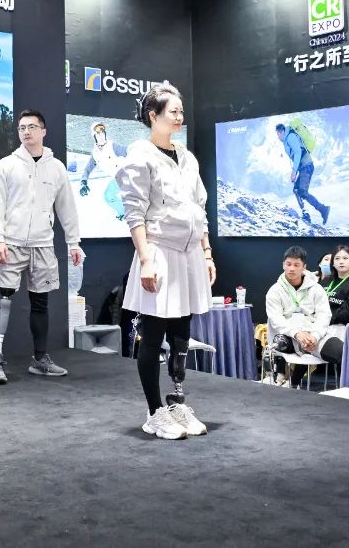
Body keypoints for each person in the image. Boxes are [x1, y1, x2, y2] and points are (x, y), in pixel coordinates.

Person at [116, 82, 214, 440]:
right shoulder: (139, 156)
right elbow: (134, 213)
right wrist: (145, 259)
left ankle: (177, 403)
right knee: (153, 334)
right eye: (173, 111)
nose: (179, 116)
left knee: (181, 334)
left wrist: (206, 251)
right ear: (153, 115)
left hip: (189, 255)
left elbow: (199, 208)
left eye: (181, 111)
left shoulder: (187, 158)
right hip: (159, 252)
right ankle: (154, 411)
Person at [0, 110, 82, 384]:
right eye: (21, 128)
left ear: (43, 131)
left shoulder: (56, 168)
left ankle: (40, 360)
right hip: (12, 243)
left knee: (41, 302)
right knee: (5, 298)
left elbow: (67, 208)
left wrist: (74, 242)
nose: (26, 132)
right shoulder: (7, 165)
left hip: (43, 245)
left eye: (31, 127)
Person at [264, 246, 337, 385]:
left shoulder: (316, 289)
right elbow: (276, 319)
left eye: (296, 265)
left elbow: (324, 315)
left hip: (313, 337)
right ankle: (282, 377)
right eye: (288, 264)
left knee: (340, 350)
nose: (291, 268)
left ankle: (293, 382)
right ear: (283, 265)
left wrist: (315, 336)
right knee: (281, 342)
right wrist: (297, 333)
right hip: (288, 337)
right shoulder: (275, 291)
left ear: (304, 267)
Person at [274, 121, 330, 225]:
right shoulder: (287, 139)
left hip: (307, 166)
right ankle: (306, 213)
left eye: (278, 134)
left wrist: (294, 171)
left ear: (281, 132)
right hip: (303, 167)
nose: (278, 137)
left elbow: (298, 152)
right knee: (296, 190)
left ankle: (323, 209)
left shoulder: (290, 137)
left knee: (302, 191)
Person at [79, 122, 129, 221]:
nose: (101, 136)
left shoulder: (112, 146)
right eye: (98, 134)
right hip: (116, 177)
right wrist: (83, 182)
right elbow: (87, 169)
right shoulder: (95, 153)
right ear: (94, 137)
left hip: (125, 174)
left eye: (103, 133)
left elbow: (127, 150)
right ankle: (124, 212)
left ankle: (126, 213)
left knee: (109, 195)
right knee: (109, 196)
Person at [319, 244, 349, 346]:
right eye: (337, 258)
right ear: (333, 263)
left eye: (345, 258)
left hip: (342, 328)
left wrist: (326, 319)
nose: (341, 261)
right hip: (319, 324)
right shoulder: (326, 281)